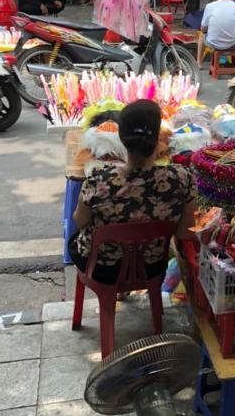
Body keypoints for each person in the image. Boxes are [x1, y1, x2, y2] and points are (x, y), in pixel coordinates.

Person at [71, 100, 195, 284]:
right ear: (157, 138)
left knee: (75, 238)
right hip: (151, 267)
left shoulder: (99, 179)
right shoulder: (181, 178)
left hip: (102, 269)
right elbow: (186, 232)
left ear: (121, 138)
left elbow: (79, 220)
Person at [197, 0, 235, 67]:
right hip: (233, 44)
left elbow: (203, 29)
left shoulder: (209, 6)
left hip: (213, 44)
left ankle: (199, 63)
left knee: (201, 35)